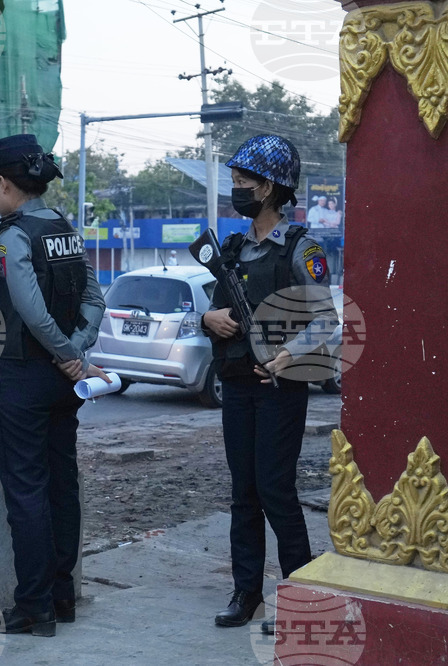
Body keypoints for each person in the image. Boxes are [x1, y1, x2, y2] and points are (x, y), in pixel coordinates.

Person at [0, 134, 108, 637]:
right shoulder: (63, 228)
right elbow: (94, 295)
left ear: (5, 183)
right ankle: (62, 597)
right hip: (60, 382)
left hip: (22, 376)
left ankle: (34, 607)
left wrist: (67, 353)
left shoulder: (13, 235)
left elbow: (29, 309)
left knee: (26, 493)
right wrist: (77, 349)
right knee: (61, 486)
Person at [201, 135, 336, 633]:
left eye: (246, 182)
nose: (237, 189)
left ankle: (297, 596)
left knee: (276, 490)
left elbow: (326, 319)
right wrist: (207, 320)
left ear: (273, 187)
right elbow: (215, 309)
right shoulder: (232, 249)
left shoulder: (303, 248)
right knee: (243, 492)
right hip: (237, 383)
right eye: (235, 181)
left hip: (281, 387)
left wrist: (286, 357)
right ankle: (246, 594)